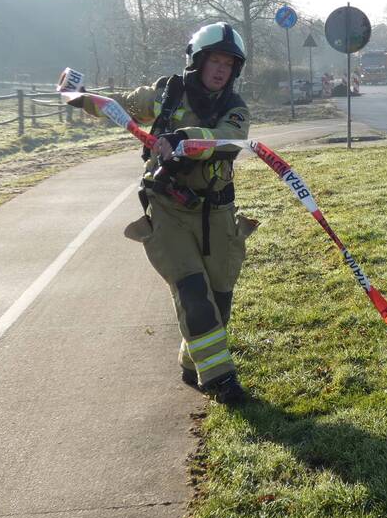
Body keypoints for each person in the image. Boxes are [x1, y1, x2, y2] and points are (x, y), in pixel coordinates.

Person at [70, 22, 256, 404]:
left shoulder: (235, 110)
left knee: (219, 300)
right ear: (197, 61)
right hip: (169, 209)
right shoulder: (166, 95)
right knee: (192, 292)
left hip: (217, 213)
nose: (221, 70)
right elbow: (119, 105)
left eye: (228, 64)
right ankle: (221, 381)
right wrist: (78, 97)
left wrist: (183, 138)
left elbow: (227, 140)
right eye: (215, 61)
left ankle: (193, 364)